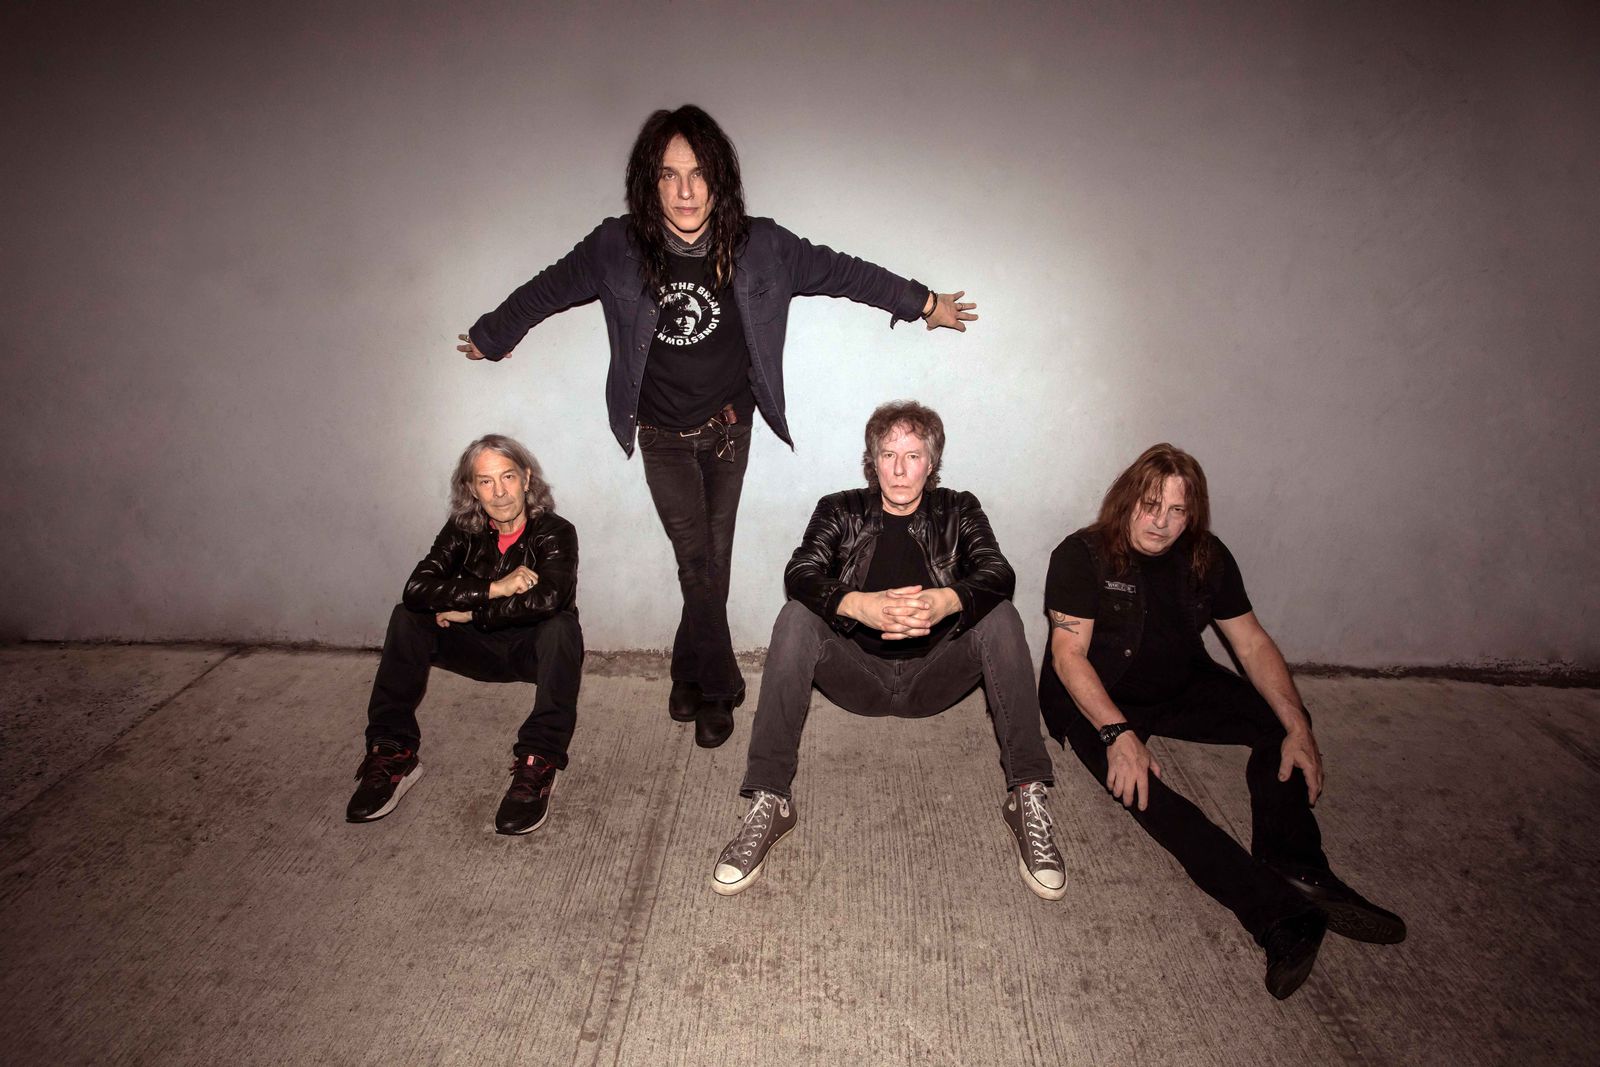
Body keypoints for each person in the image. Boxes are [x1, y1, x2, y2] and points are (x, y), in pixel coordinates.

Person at [459, 105, 976, 750]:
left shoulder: (763, 247)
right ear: (649, 182)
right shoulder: (617, 247)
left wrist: (924, 303)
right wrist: (494, 334)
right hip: (662, 436)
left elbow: (845, 271)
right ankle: (720, 684)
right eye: (669, 175)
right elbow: (548, 289)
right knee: (697, 563)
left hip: (730, 432)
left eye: (699, 174)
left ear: (720, 179)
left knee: (711, 564)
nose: (685, 192)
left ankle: (687, 672)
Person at [1040, 443, 1405, 998]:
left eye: (1176, 511)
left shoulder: (1206, 557)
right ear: (1126, 500)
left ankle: (1297, 867)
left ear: (1192, 514)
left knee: (1282, 723)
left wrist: (1299, 726)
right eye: (1150, 505)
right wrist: (1118, 734)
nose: (1161, 523)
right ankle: (1279, 915)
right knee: (1151, 796)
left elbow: (1251, 643)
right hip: (1099, 698)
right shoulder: (1082, 555)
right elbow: (1069, 656)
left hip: (1180, 682)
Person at [711, 401, 1066, 900]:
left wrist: (946, 601)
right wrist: (858, 605)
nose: (900, 469)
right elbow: (801, 572)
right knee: (795, 618)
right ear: (873, 462)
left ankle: (1027, 793)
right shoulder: (840, 509)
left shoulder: (958, 509)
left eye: (913, 456)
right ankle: (770, 800)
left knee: (1001, 617)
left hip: (933, 677)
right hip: (860, 675)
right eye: (888, 455)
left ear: (931, 463)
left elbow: (997, 571)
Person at [346, 434, 582, 835]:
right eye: (486, 481)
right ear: (472, 488)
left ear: (526, 478)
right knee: (407, 617)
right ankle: (393, 750)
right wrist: (494, 589)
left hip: (531, 652)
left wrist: (472, 612)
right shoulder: (462, 529)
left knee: (562, 627)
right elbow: (417, 589)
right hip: (475, 649)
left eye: (508, 477)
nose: (499, 492)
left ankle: (538, 760)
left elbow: (548, 600)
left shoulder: (555, 531)